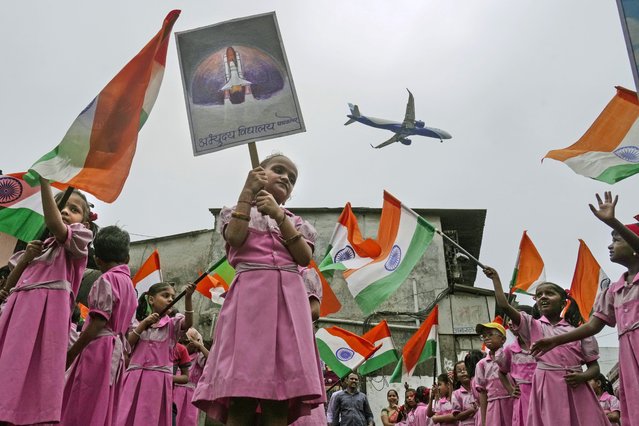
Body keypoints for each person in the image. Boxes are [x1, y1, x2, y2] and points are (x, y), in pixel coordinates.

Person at [192, 154, 324, 425]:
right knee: (242, 394)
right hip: (249, 302)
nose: (286, 178)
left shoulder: (297, 223)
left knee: (279, 397)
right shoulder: (236, 212)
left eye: (292, 177)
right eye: (278, 170)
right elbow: (235, 237)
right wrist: (246, 191)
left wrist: (278, 214)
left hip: (289, 308)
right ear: (258, 173)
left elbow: (302, 257)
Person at [531, 191, 639, 426]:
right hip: (628, 352)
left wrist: (612, 221)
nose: (610, 246)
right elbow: (593, 325)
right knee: (634, 401)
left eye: (617, 239)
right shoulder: (613, 290)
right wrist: (555, 341)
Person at [0, 178, 93, 424]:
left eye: (74, 210)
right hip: (17, 312)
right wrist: (26, 257)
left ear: (84, 222)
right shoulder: (39, 247)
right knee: (8, 366)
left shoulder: (77, 242)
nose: (65, 211)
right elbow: (8, 288)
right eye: (61, 205)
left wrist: (44, 182)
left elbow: (53, 222)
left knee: (29, 372)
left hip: (44, 318)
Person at [484, 267, 610, 426]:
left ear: (563, 302)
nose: (543, 297)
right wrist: (496, 279)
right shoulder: (533, 326)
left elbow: (594, 368)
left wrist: (582, 377)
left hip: (576, 386)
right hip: (547, 386)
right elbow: (505, 306)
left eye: (549, 293)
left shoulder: (578, 332)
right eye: (539, 295)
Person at [60, 225, 138, 425]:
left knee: (84, 401)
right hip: (116, 350)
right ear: (127, 258)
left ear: (97, 260)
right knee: (104, 403)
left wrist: (73, 352)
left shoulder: (107, 279)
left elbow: (98, 322)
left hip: (99, 348)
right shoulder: (131, 286)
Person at [117, 281, 195, 426]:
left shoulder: (172, 324)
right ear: (151, 299)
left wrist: (188, 298)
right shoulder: (136, 324)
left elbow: (188, 323)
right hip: (135, 377)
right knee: (126, 415)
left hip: (159, 380)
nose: (170, 299)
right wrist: (143, 324)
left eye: (172, 296)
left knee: (151, 418)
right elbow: (127, 345)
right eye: (165, 296)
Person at [495, 306, 536, 426]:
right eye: (509, 320)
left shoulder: (542, 344)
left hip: (543, 391)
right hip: (522, 397)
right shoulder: (510, 349)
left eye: (514, 319)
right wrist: (511, 390)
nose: (510, 323)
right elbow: (502, 372)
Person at [474, 322, 513, 426]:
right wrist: (483, 420)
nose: (487, 338)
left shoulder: (510, 357)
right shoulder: (481, 365)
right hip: (492, 406)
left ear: (503, 339)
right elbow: (482, 393)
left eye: (490, 334)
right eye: (484, 336)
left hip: (511, 403)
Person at [173, 328, 209, 426]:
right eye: (182, 342)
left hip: (190, 397)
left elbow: (211, 361)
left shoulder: (198, 357)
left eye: (188, 342)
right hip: (173, 392)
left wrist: (200, 347)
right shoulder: (176, 354)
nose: (185, 346)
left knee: (187, 420)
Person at [451, 360, 478, 426]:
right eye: (459, 371)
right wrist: (471, 410)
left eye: (465, 369)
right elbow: (457, 416)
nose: (463, 372)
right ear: (456, 377)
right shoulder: (456, 394)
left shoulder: (478, 388)